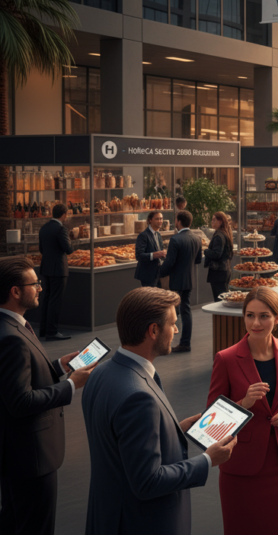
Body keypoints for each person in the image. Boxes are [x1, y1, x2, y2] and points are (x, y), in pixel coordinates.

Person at [83, 287, 236, 535]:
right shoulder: (138, 396)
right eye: (173, 324)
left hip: (108, 514)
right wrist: (208, 460)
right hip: (143, 522)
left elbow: (119, 443)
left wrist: (175, 430)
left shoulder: (101, 373)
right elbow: (147, 482)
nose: (176, 330)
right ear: (153, 331)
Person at [0, 257, 95, 535]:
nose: (40, 288)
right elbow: (20, 402)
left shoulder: (12, 327)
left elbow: (14, 380)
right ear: (15, 292)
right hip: (30, 458)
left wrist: (57, 367)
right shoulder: (12, 337)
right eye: (34, 283)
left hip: (16, 455)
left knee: (13, 521)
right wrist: (70, 385)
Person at [207, 288, 278, 535]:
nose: (256, 323)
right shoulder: (226, 358)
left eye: (264, 316)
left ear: (277, 318)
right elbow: (210, 420)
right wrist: (243, 403)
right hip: (241, 465)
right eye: (250, 315)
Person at [160, 211, 202, 353]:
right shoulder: (196, 238)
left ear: (178, 221)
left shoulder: (175, 239)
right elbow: (197, 260)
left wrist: (159, 272)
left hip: (176, 280)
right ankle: (185, 343)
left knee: (170, 311)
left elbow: (170, 262)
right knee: (186, 310)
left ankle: (165, 343)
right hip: (189, 279)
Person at [37, 204, 73, 340]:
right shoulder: (61, 229)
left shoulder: (44, 228)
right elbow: (68, 249)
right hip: (58, 268)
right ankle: (52, 332)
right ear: (64, 214)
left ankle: (44, 329)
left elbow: (41, 249)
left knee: (46, 299)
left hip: (46, 267)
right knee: (55, 301)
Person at [204, 211, 234, 301]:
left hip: (218, 273)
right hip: (223, 271)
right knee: (223, 299)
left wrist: (205, 250)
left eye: (214, 220)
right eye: (212, 220)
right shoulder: (224, 233)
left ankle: (222, 315)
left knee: (220, 300)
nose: (212, 222)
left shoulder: (219, 236)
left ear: (220, 222)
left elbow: (217, 254)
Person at [135, 210, 167, 288]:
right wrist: (153, 255)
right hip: (148, 274)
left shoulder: (158, 234)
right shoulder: (143, 235)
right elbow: (139, 255)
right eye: (157, 219)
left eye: (161, 219)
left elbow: (160, 250)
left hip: (159, 273)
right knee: (149, 299)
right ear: (150, 220)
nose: (160, 221)